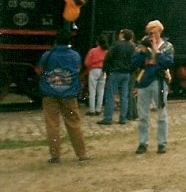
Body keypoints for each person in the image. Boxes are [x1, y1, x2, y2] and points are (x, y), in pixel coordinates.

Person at [38, 29, 90, 163]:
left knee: (52, 125)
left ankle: (55, 156)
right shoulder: (75, 55)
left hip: (50, 94)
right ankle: (81, 154)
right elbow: (78, 69)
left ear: (55, 41)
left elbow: (40, 70)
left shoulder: (47, 55)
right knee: (74, 123)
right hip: (69, 95)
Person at [132, 20, 174, 154]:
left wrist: (157, 52)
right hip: (144, 81)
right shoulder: (143, 46)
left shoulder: (167, 47)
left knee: (162, 114)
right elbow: (134, 63)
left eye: (154, 32)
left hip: (160, 81)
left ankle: (162, 143)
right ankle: (142, 143)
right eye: (149, 33)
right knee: (143, 115)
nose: (152, 35)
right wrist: (142, 52)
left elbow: (168, 63)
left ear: (160, 31)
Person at [98, 29, 136, 125]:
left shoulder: (116, 44)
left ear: (122, 35)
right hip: (127, 73)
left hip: (115, 72)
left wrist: (105, 70)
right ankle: (123, 118)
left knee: (111, 95)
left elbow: (108, 57)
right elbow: (134, 60)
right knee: (124, 96)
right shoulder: (132, 46)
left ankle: (108, 118)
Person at [84, 35, 108, 116]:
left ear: (97, 42)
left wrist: (89, 68)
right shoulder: (106, 52)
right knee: (101, 91)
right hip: (103, 71)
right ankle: (98, 109)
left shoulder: (92, 51)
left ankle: (92, 110)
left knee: (92, 90)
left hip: (94, 70)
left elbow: (87, 62)